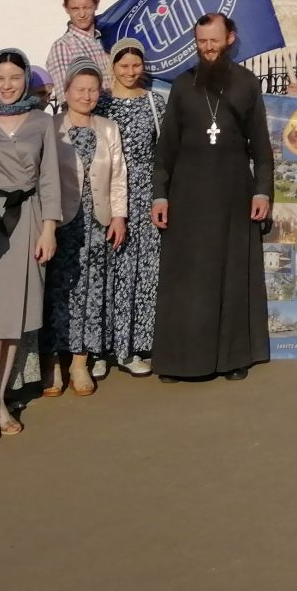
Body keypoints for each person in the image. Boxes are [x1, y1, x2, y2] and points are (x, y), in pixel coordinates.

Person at [151, 13, 272, 380]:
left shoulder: (247, 83)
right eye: (202, 42)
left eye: (214, 40)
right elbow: (166, 146)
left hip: (234, 194)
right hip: (187, 196)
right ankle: (179, 361)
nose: (207, 48)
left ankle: (232, 359)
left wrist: (263, 190)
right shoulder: (183, 85)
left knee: (231, 276)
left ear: (230, 38)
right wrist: (159, 195)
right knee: (186, 281)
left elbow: (262, 147)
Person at [0, 48, 62, 443]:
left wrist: (49, 228)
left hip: (27, 220)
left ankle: (0, 399)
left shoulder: (42, 121)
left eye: (14, 77)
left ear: (25, 79)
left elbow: (49, 178)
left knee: (14, 324)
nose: (7, 86)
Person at [45, 64, 128, 396]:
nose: (86, 95)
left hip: (97, 223)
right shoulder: (51, 127)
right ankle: (53, 362)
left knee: (91, 292)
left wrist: (119, 216)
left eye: (93, 89)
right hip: (61, 222)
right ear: (66, 92)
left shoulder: (108, 129)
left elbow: (119, 175)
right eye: (80, 89)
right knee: (57, 291)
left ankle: (80, 362)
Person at [99, 39, 164, 376]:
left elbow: (165, 151)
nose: (130, 72)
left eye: (136, 65)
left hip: (145, 196)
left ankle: (137, 346)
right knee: (109, 272)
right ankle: (103, 347)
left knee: (143, 273)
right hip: (109, 196)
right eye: (123, 66)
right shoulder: (102, 105)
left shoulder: (154, 103)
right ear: (113, 66)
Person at [46, 0, 111, 102]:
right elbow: (66, 96)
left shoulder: (107, 39)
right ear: (66, 8)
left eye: (87, 7)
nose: (82, 14)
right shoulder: (63, 46)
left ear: (97, 4)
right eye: (75, 8)